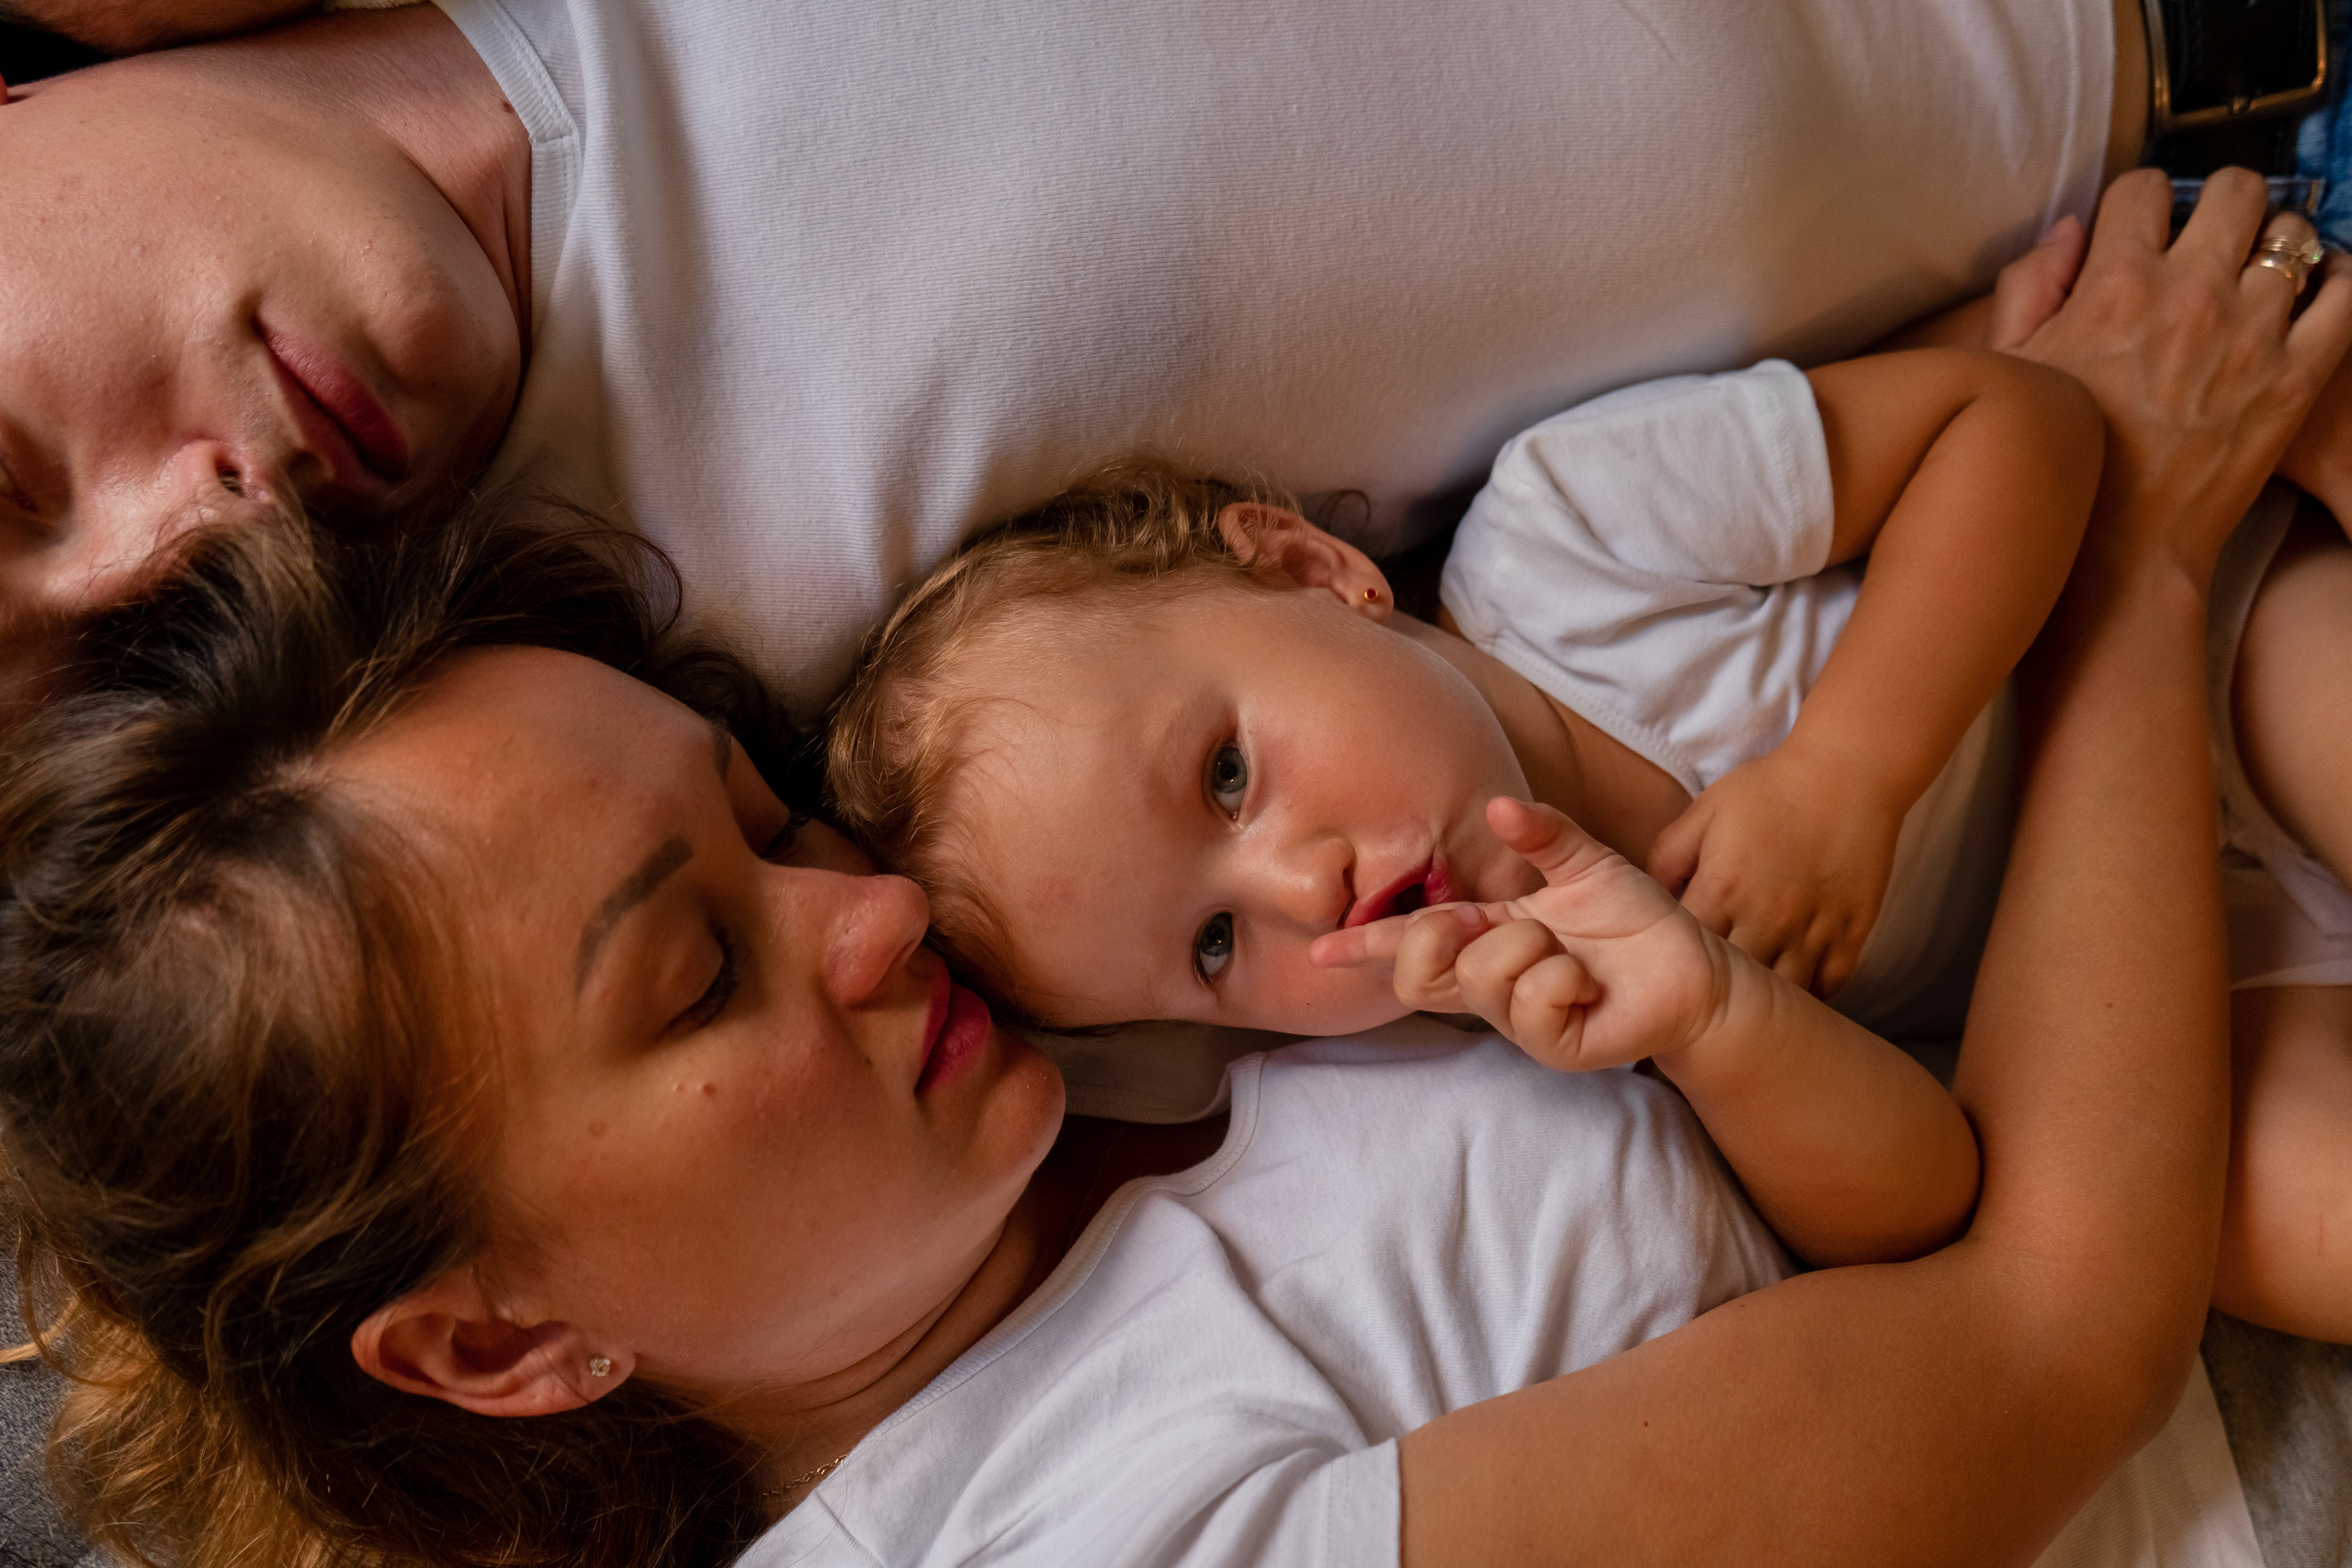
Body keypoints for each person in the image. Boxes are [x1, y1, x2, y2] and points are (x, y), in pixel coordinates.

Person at [0, 169, 2343, 1567]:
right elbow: (2044, 1330)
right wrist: (2126, 553)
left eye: (754, 811)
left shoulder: (1025, 1044)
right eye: (699, 967)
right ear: (504, 1339)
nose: (876, 907)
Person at [0, 0, 2157, 717]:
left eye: (10, 473)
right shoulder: (710, 654)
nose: (204, 519)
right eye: (115, 646)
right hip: (2187, 210)